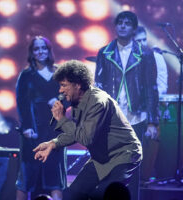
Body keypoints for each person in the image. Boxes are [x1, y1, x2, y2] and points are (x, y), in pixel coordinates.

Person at [33, 60, 142, 200]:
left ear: (77, 84)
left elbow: (85, 138)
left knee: (102, 195)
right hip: (100, 159)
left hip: (123, 155)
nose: (60, 90)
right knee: (73, 194)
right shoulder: (77, 102)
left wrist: (62, 119)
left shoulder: (98, 102)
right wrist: (53, 143)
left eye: (64, 85)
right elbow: (77, 132)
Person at [95, 11, 159, 200]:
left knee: (132, 168)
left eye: (127, 23)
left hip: (136, 117)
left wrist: (152, 122)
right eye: (119, 23)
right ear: (115, 27)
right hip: (111, 117)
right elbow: (98, 86)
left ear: (133, 28)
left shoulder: (145, 54)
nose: (122, 26)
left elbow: (151, 88)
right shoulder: (105, 53)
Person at [15, 36, 67, 200]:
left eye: (43, 48)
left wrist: (59, 101)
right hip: (33, 131)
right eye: (36, 49)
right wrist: (26, 127)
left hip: (54, 130)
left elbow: (70, 96)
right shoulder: (26, 75)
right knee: (27, 178)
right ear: (32, 53)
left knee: (54, 179)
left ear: (49, 50)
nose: (40, 52)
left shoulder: (59, 72)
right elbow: (22, 103)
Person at [134, 26, 166, 182]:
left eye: (143, 40)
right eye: (137, 41)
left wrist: (149, 109)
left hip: (150, 108)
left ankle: (144, 177)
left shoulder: (156, 57)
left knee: (149, 141)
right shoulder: (128, 58)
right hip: (132, 110)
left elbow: (161, 86)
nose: (141, 43)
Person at [134, 26, 168, 95]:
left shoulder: (156, 55)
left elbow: (162, 82)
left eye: (144, 40)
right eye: (139, 41)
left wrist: (157, 96)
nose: (143, 43)